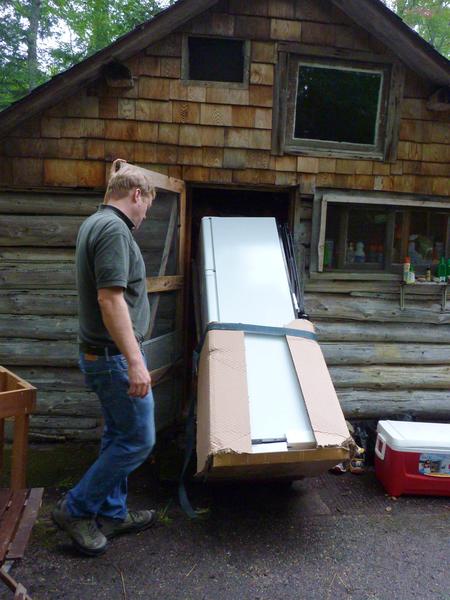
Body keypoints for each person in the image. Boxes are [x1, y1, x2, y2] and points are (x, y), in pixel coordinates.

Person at [52, 159, 157, 556]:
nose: (147, 213)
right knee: (138, 439)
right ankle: (75, 510)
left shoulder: (97, 222)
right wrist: (135, 361)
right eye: (147, 203)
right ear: (135, 195)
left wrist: (124, 170)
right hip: (113, 358)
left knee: (118, 434)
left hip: (103, 354)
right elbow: (110, 299)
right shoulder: (114, 230)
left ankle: (112, 514)